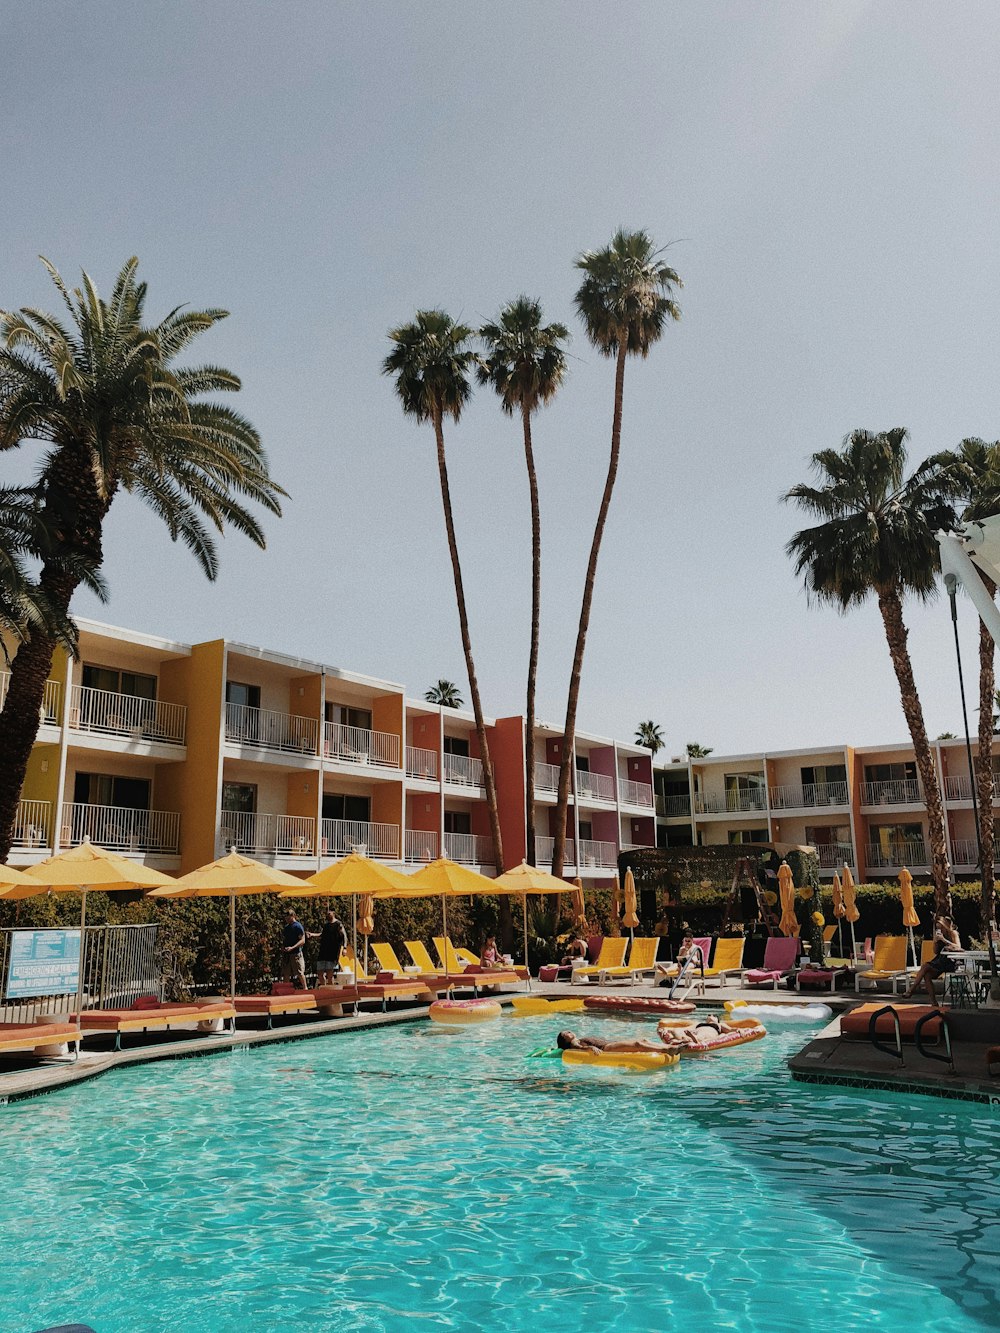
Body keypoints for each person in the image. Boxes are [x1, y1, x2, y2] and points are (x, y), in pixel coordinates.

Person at [901, 935, 960, 1004]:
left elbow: (958, 947)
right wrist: (935, 942)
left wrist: (944, 940)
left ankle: (911, 989)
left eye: (940, 925)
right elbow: (936, 951)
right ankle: (933, 1002)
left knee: (925, 966)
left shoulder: (952, 933)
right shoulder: (940, 934)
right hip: (940, 961)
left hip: (950, 962)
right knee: (927, 975)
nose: (938, 927)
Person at [656, 1013, 737, 1049]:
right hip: (695, 1033)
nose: (710, 1016)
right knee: (676, 1030)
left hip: (710, 1032)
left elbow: (730, 1030)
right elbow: (685, 1029)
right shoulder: (698, 1024)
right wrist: (667, 1029)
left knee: (703, 1035)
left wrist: (740, 1030)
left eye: (713, 1015)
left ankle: (693, 1039)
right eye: (709, 1015)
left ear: (717, 1020)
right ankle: (685, 1040)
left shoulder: (719, 1025)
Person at [556, 1030, 666, 1054]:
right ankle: (668, 1049)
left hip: (611, 1044)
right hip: (607, 1048)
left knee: (643, 1040)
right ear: (565, 1039)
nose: (568, 1031)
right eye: (565, 1033)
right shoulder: (574, 1043)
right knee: (638, 1044)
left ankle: (667, 1047)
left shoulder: (578, 1039)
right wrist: (590, 1048)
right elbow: (579, 1048)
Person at [314, 909, 347, 987]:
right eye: (327, 913)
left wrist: (344, 948)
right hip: (323, 952)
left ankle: (330, 989)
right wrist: (312, 935)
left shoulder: (338, 924)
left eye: (329, 913)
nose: (328, 914)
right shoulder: (326, 925)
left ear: (333, 913)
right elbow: (322, 935)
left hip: (333, 952)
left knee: (330, 975)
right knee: (320, 973)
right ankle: (324, 988)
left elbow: (344, 936)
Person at [280, 908, 308, 990]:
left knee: (299, 972)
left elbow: (302, 940)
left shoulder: (297, 926)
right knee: (286, 973)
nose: (286, 919)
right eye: (285, 917)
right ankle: (286, 989)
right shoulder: (286, 928)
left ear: (293, 916)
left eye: (288, 917)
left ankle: (305, 988)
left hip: (296, 953)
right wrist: (283, 947)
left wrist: (292, 947)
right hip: (287, 954)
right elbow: (285, 939)